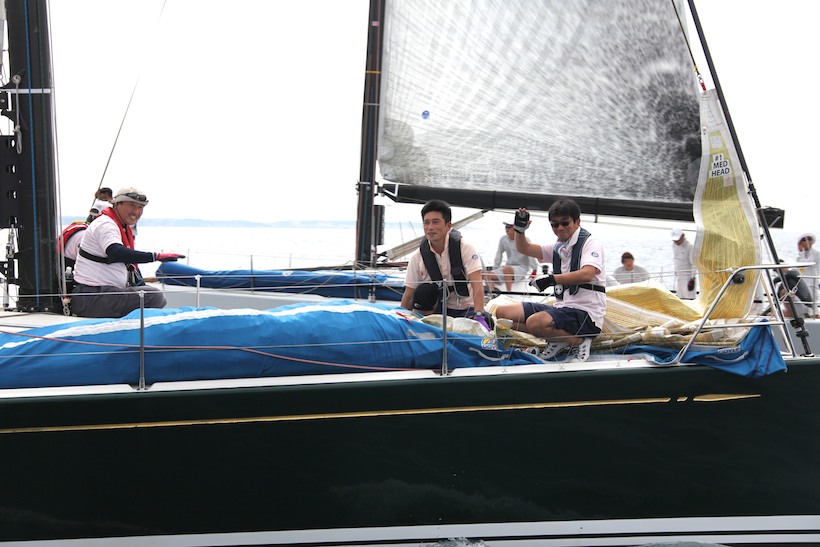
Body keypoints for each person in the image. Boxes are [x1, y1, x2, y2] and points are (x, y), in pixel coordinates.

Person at [494, 198, 606, 361]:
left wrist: (551, 279)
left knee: (535, 323)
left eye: (565, 223)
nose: (560, 228)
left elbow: (587, 274)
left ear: (577, 221)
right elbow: (525, 248)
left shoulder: (591, 243)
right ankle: (557, 339)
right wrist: (520, 230)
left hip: (586, 313)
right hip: (562, 308)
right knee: (503, 313)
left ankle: (579, 342)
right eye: (555, 224)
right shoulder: (559, 248)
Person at [70, 187, 185, 318]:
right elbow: (116, 252)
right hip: (91, 297)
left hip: (100, 294)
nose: (136, 211)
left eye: (140, 207)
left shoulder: (120, 226)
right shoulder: (106, 225)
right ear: (117, 204)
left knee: (150, 292)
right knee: (155, 297)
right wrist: (155, 257)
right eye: (131, 205)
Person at [400, 200, 489, 329]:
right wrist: (400, 319)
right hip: (437, 310)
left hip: (466, 308)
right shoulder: (417, 257)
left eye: (435, 222)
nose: (430, 227)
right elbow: (409, 294)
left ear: (448, 226)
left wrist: (479, 314)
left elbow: (477, 284)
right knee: (424, 291)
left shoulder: (466, 249)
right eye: (426, 222)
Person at [483, 221, 538, 292]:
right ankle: (492, 294)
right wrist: (495, 269)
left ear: (515, 228)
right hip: (509, 267)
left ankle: (509, 293)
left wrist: (534, 269)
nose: (507, 229)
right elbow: (499, 254)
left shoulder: (525, 240)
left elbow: (530, 254)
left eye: (509, 227)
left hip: (522, 268)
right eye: (506, 227)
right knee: (486, 274)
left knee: (507, 269)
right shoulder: (503, 239)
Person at [797, 232, 819, 316]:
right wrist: (801, 252)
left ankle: (815, 316)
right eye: (803, 240)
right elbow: (800, 266)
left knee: (813, 304)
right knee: (804, 304)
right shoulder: (800, 256)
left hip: (812, 283)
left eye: (809, 239)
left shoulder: (816, 254)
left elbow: (809, 262)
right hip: (803, 283)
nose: (806, 242)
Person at [671, 228, 696, 299]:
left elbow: (694, 264)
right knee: (679, 297)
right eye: (674, 240)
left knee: (688, 297)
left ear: (682, 236)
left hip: (687, 278)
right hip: (679, 276)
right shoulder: (674, 245)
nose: (676, 242)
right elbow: (675, 259)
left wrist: (692, 279)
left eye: (678, 240)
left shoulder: (690, 247)